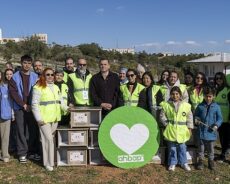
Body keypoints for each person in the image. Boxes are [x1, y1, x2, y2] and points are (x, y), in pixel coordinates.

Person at [32, 68, 68, 171]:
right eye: (48, 75)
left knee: (49, 139)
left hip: (55, 118)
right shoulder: (38, 87)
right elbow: (34, 104)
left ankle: (50, 161)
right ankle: (49, 163)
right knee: (48, 140)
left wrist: (67, 109)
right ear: (43, 75)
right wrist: (39, 118)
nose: (50, 76)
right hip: (44, 119)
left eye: (52, 74)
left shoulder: (56, 87)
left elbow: (60, 101)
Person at [8, 55, 40, 163]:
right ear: (21, 63)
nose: (27, 65)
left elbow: (38, 91)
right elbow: (13, 93)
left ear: (31, 64)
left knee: (32, 130)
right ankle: (22, 153)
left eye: (29, 63)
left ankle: (32, 152)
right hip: (19, 108)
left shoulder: (35, 76)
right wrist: (23, 104)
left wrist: (31, 105)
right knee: (20, 130)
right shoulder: (15, 77)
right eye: (25, 63)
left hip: (32, 107)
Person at [160, 86, 193, 171]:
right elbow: (162, 116)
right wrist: (166, 124)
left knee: (182, 147)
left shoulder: (186, 106)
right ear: (170, 95)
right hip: (171, 129)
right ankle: (172, 163)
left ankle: (184, 162)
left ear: (180, 95)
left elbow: (189, 118)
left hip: (182, 130)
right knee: (172, 147)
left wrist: (190, 128)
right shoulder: (166, 105)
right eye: (173, 94)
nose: (175, 96)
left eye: (177, 94)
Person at [195, 87, 223, 170]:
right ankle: (201, 161)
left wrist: (216, 125)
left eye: (210, 96)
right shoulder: (200, 106)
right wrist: (196, 120)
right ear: (203, 96)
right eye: (206, 96)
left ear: (213, 96)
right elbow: (196, 115)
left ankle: (211, 161)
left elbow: (220, 118)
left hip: (211, 132)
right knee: (201, 148)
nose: (208, 98)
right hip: (201, 132)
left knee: (211, 149)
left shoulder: (216, 107)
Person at [213, 72, 230, 162]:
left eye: (220, 78)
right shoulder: (215, 89)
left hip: (226, 118)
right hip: (218, 118)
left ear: (223, 79)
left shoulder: (228, 90)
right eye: (217, 78)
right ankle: (223, 153)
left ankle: (223, 155)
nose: (218, 80)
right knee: (221, 137)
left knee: (226, 138)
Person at [0, 71, 14, 162]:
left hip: (5, 114)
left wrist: (12, 113)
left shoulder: (5, 86)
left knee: (5, 135)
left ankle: (5, 154)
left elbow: (10, 101)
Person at [5, 69, 17, 154]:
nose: (9, 76)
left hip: (14, 109)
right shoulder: (4, 85)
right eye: (7, 74)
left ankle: (13, 147)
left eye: (11, 74)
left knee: (14, 130)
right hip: (6, 111)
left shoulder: (14, 84)